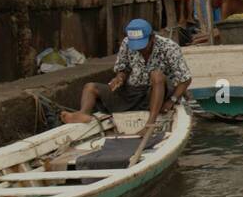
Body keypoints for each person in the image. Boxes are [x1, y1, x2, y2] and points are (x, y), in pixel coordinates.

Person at [61, 19, 191, 133]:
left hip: (157, 92)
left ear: (152, 38)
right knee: (90, 87)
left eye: (142, 46)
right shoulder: (127, 43)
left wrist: (172, 100)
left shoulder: (169, 47)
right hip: (132, 92)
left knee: (156, 75)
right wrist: (120, 78)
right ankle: (83, 113)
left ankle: (150, 124)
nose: (139, 50)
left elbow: (185, 78)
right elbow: (123, 68)